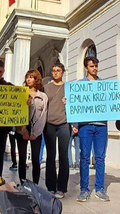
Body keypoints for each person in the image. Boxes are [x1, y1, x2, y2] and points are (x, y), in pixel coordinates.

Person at [76, 56, 120, 202]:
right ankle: (84, 189)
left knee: (100, 158)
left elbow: (110, 103)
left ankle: (100, 188)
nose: (94, 68)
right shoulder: (80, 85)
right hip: (85, 126)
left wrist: (117, 99)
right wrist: (68, 101)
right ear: (86, 68)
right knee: (84, 157)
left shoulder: (104, 84)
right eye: (91, 66)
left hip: (101, 126)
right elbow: (75, 105)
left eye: (96, 66)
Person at [15, 69, 47, 185]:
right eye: (27, 77)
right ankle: (23, 183)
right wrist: (23, 130)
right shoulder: (21, 94)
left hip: (36, 129)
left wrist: (36, 132)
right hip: (22, 128)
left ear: (36, 79)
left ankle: (35, 185)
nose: (28, 79)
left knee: (35, 159)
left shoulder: (43, 96)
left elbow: (43, 115)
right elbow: (16, 112)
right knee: (22, 159)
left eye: (31, 77)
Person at [43, 63, 70, 198]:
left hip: (64, 124)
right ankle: (51, 187)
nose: (55, 73)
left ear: (63, 72)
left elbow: (76, 104)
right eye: (53, 71)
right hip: (49, 125)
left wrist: (68, 102)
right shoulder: (46, 87)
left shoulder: (69, 88)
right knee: (50, 156)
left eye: (58, 71)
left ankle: (62, 188)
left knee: (64, 156)